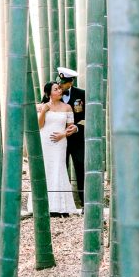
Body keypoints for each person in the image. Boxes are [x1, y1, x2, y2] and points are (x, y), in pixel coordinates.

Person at [29, 81, 79, 216]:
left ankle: (61, 207)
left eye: (59, 88)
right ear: (48, 93)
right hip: (45, 141)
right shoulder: (43, 106)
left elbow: (71, 126)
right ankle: (45, 205)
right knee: (46, 168)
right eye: (55, 89)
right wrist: (44, 111)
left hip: (60, 142)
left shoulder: (68, 107)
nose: (59, 91)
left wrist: (63, 134)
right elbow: (39, 126)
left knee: (59, 168)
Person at [56, 67, 85, 206]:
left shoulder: (82, 94)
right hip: (59, 140)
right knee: (61, 169)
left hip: (77, 140)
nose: (60, 85)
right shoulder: (53, 93)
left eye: (64, 83)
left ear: (71, 82)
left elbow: (88, 116)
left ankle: (86, 203)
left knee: (81, 168)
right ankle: (63, 205)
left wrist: (77, 127)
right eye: (59, 82)